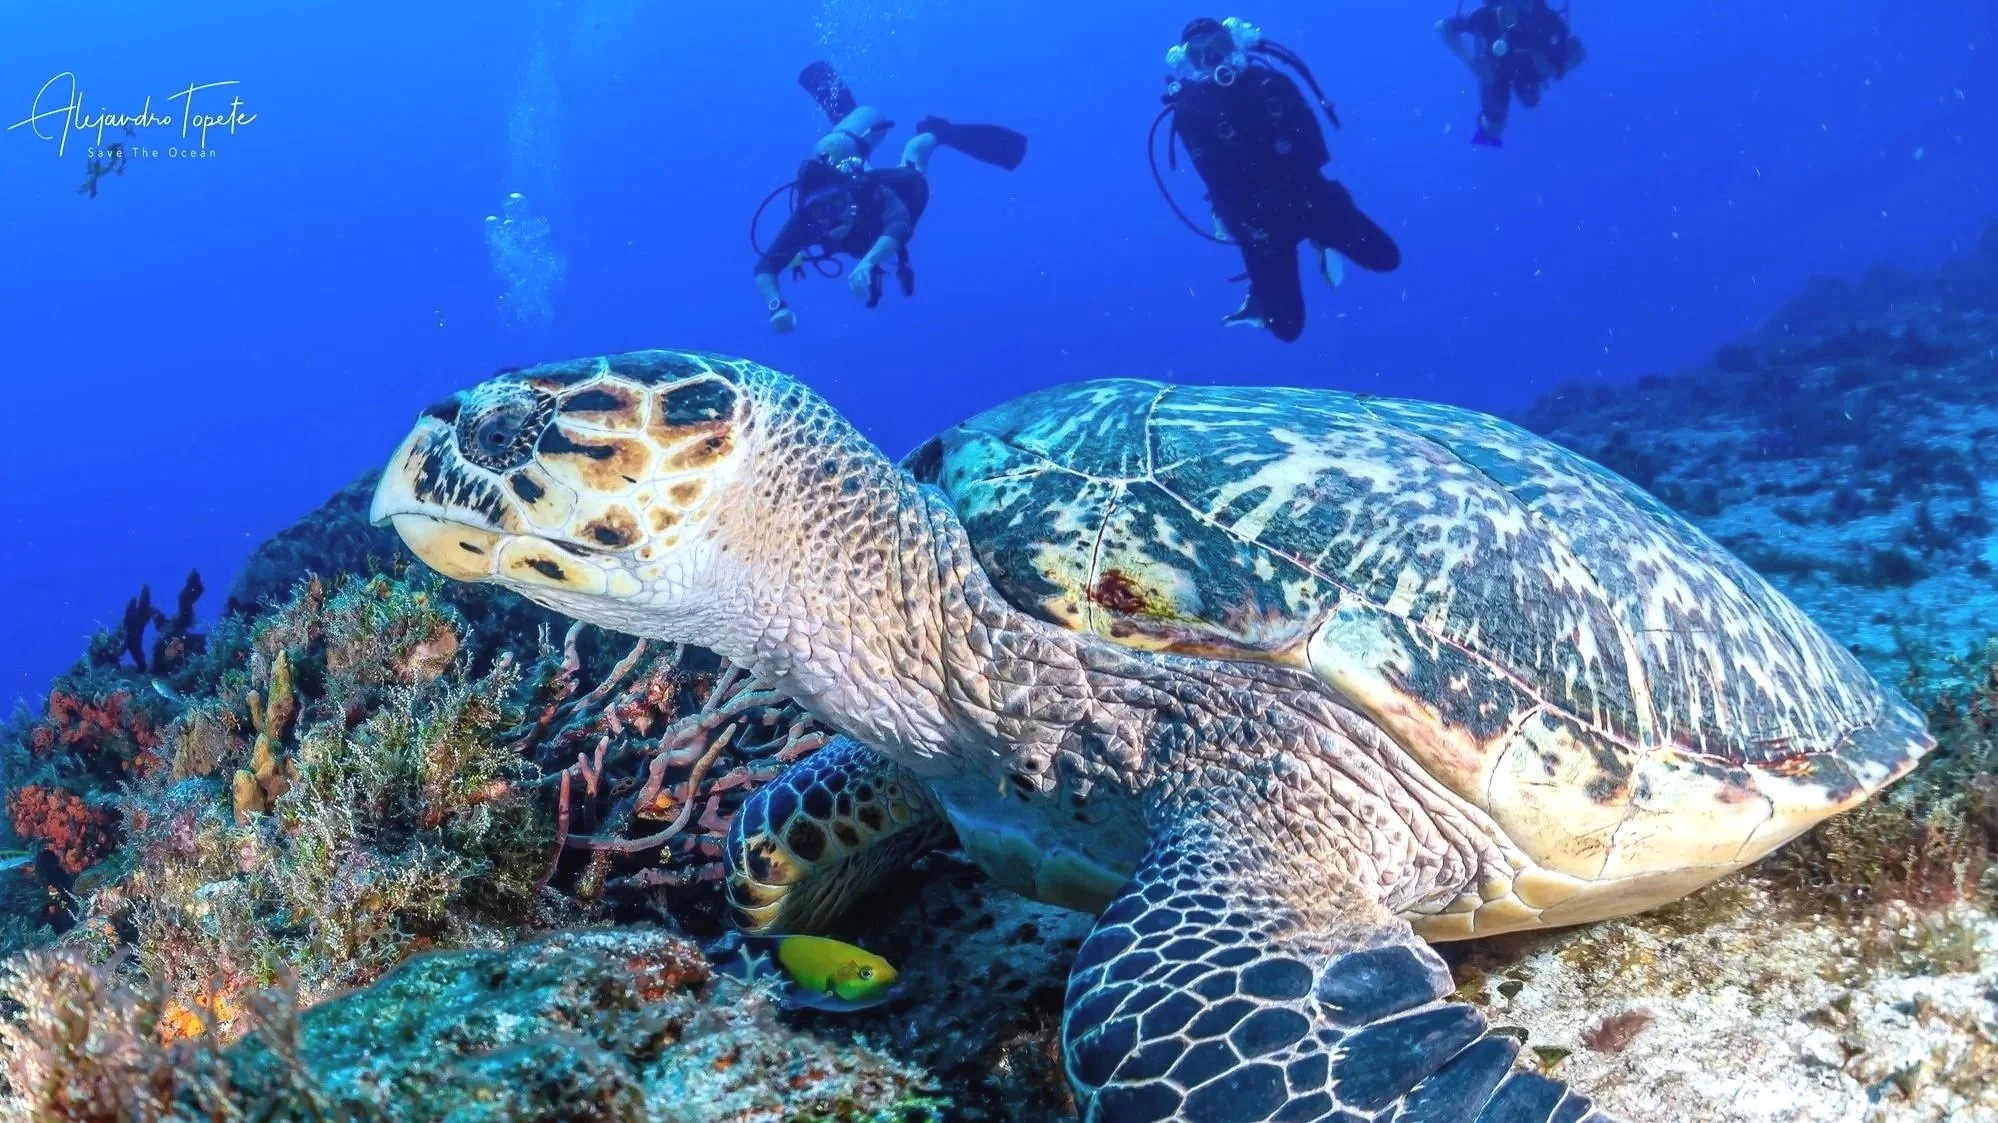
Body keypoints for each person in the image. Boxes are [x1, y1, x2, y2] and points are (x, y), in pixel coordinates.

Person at [1157, 17, 1400, 343]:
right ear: (1189, 62)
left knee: (1387, 259)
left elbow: (1315, 150)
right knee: (1287, 328)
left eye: (1218, 45)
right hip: (1261, 227)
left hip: (1311, 199)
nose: (1212, 57)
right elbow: (1216, 180)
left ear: (1233, 44)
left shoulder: (1271, 83)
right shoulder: (1191, 111)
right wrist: (1250, 223)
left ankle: (1321, 241)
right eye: (1200, 53)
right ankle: (1261, 294)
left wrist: (1306, 198)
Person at [753, 61, 1027, 333]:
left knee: (915, 151)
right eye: (821, 210)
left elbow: (900, 223)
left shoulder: (871, 192)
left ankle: (935, 131)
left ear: (849, 197)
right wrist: (777, 306)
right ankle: (852, 138)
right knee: (833, 152)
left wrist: (869, 261)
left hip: (908, 192)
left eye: (836, 204)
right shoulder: (808, 221)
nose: (832, 217)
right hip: (856, 188)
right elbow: (765, 267)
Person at [1438, 0, 1586, 147]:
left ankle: (1523, 92)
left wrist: (1556, 70)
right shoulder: (1486, 16)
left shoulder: (1548, 19)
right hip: (1495, 72)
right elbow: (1443, 26)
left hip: (1529, 69)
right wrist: (1470, 61)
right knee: (1494, 128)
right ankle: (1485, 130)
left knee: (1531, 100)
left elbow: (1578, 51)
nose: (1521, 10)